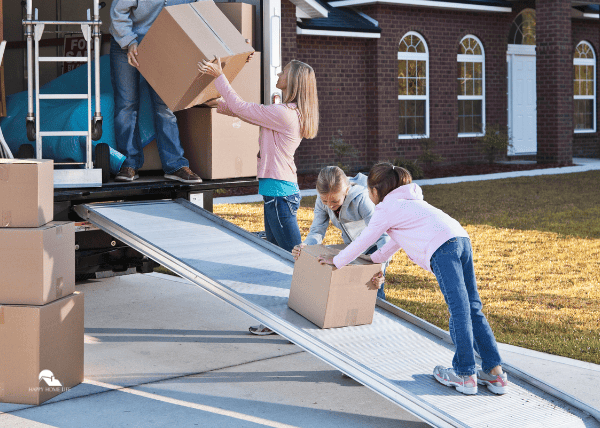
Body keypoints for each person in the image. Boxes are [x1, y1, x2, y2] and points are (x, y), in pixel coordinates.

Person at [317, 162, 509, 396]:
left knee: (459, 310)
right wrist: (374, 260)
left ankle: (464, 374)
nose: (368, 194)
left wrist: (337, 261)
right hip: (461, 239)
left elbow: (363, 240)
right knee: (473, 307)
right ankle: (495, 373)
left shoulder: (386, 208)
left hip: (443, 248)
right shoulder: (410, 203)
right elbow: (396, 242)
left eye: (369, 190)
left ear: (376, 191)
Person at [198, 57, 319, 337]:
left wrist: (220, 76)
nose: (279, 73)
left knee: (293, 262)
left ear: (294, 81)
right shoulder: (284, 111)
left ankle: (302, 323)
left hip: (280, 195)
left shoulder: (285, 114)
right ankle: (279, 321)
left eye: (284, 72)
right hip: (276, 193)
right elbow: (245, 112)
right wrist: (215, 105)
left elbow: (244, 107)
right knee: (277, 261)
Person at [109, 0, 210, 183]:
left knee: (165, 108)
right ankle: (128, 164)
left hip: (162, 50)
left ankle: (175, 165)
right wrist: (130, 42)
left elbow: (208, 17)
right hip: (127, 45)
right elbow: (118, 12)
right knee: (127, 106)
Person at [292, 166, 388, 299]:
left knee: (374, 293)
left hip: (374, 249)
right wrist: (306, 246)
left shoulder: (362, 200)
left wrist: (381, 269)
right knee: (353, 293)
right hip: (351, 248)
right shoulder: (322, 200)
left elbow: (383, 236)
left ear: (346, 191)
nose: (330, 205)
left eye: (335, 201)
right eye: (325, 201)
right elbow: (317, 230)